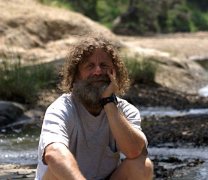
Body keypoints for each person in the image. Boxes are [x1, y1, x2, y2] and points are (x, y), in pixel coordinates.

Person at [35, 33, 153, 180]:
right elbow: (54, 153)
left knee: (142, 166)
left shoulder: (127, 110)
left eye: (104, 65)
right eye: (90, 66)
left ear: (115, 73)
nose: (98, 71)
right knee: (56, 167)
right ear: (76, 75)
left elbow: (135, 151)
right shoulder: (61, 108)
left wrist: (109, 102)